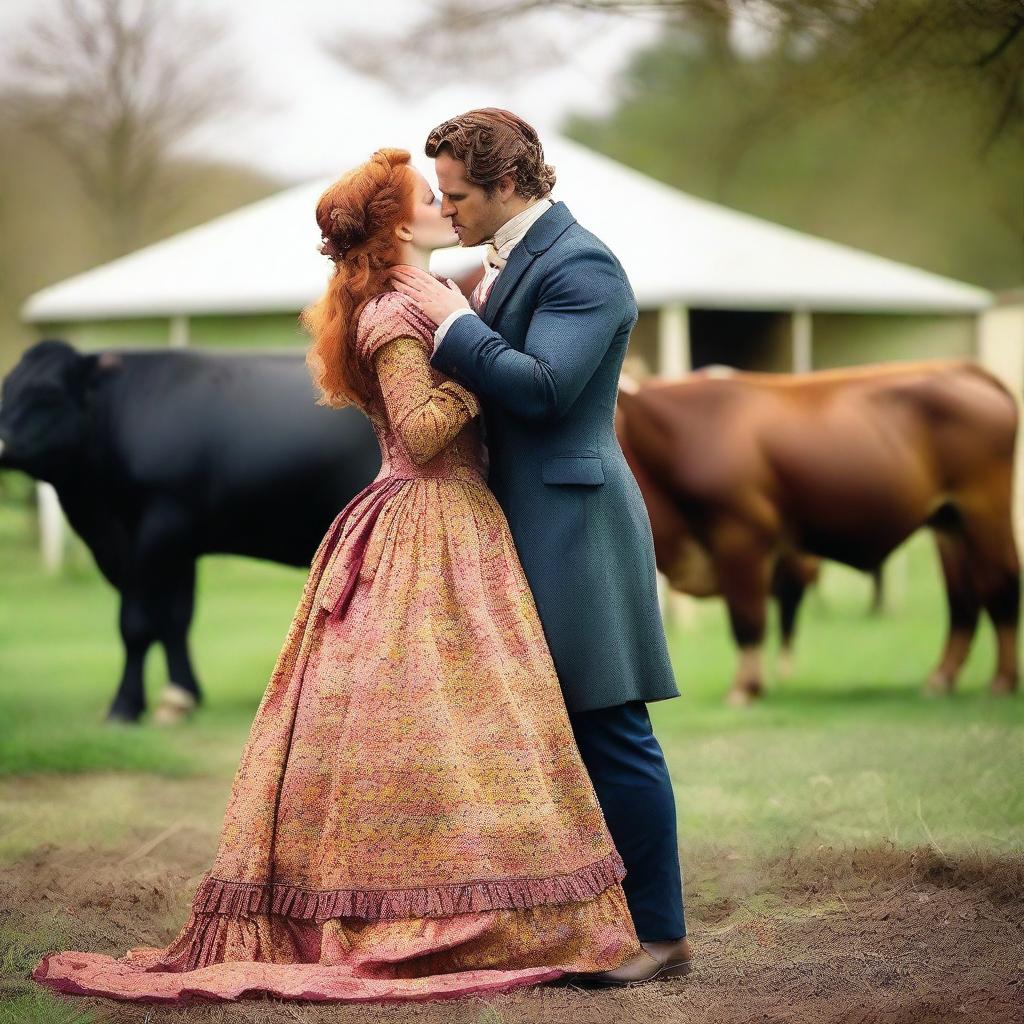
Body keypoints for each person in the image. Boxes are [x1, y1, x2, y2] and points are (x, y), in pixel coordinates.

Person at [30, 147, 645, 1004]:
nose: (444, 203)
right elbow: (426, 434)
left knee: (468, 727)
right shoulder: (397, 315)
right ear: (398, 225)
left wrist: (468, 330)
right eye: (429, 195)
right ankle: (419, 911)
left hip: (459, 520)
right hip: (430, 517)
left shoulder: (423, 300)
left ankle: (490, 895)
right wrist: (485, 368)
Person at [389, 108, 691, 985]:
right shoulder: (505, 259)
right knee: (551, 730)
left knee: (610, 724)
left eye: (455, 196)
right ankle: (589, 918)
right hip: (523, 522)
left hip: (576, 525)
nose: (446, 212)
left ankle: (662, 934)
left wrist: (453, 327)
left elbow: (548, 390)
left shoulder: (583, 265)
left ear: (507, 184)